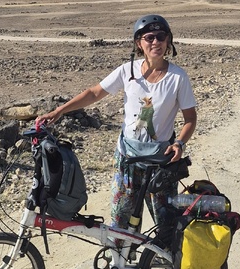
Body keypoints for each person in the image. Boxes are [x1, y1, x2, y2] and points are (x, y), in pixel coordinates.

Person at [43, 14, 197, 252]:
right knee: (120, 222)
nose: (156, 42)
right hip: (127, 160)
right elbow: (94, 93)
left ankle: (169, 268)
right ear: (139, 43)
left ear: (169, 41)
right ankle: (117, 264)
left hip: (161, 162)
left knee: (166, 222)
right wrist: (60, 111)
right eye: (149, 37)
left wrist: (179, 143)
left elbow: (190, 119)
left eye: (161, 36)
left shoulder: (178, 78)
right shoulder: (127, 71)